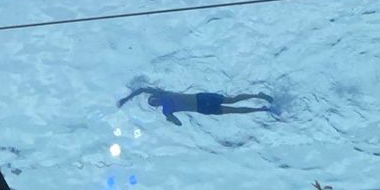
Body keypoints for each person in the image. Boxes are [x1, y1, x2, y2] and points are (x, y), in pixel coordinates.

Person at [118, 83, 275, 127]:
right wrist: (171, 120)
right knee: (235, 111)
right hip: (202, 108)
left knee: (231, 100)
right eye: (154, 103)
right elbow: (179, 124)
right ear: (156, 106)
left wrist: (126, 99)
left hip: (200, 99)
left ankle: (257, 95)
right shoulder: (166, 111)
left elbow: (141, 90)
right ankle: (261, 109)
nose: (156, 101)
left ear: (155, 95)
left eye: (154, 99)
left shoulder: (164, 94)